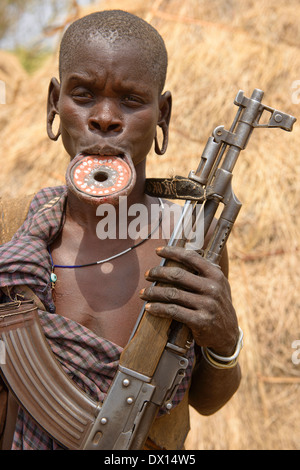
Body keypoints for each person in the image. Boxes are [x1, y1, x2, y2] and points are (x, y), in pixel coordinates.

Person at [0, 10, 241, 450]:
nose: (105, 118)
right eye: (83, 95)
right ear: (54, 101)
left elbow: (208, 401)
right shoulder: (11, 228)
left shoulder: (189, 242)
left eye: (131, 100)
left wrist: (224, 339)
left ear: (162, 113)